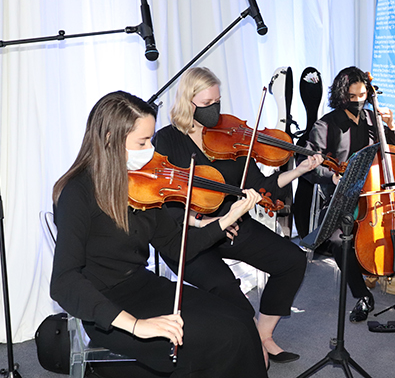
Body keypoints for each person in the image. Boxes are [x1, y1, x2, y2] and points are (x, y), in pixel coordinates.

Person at [50, 91, 268, 378]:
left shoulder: (141, 185)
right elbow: (64, 282)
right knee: (222, 339)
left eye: (150, 141)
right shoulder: (78, 193)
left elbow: (176, 245)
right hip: (110, 310)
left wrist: (225, 219)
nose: (150, 151)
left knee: (240, 320)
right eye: (141, 142)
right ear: (108, 138)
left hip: (145, 287)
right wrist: (137, 325)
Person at [152, 67, 323, 364]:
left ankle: (263, 334)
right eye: (207, 104)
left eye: (218, 101)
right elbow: (162, 201)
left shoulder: (228, 136)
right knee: (227, 288)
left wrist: (297, 171)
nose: (215, 110)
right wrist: (204, 222)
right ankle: (247, 343)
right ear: (187, 101)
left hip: (231, 224)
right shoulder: (166, 140)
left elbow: (260, 186)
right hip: (189, 234)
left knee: (292, 260)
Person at [297, 66, 395, 323]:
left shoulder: (371, 119)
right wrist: (331, 176)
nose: (359, 101)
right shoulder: (326, 125)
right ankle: (362, 294)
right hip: (342, 200)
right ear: (342, 97)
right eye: (352, 97)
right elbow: (307, 163)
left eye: (363, 95)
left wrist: (391, 125)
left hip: (379, 200)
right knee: (339, 240)